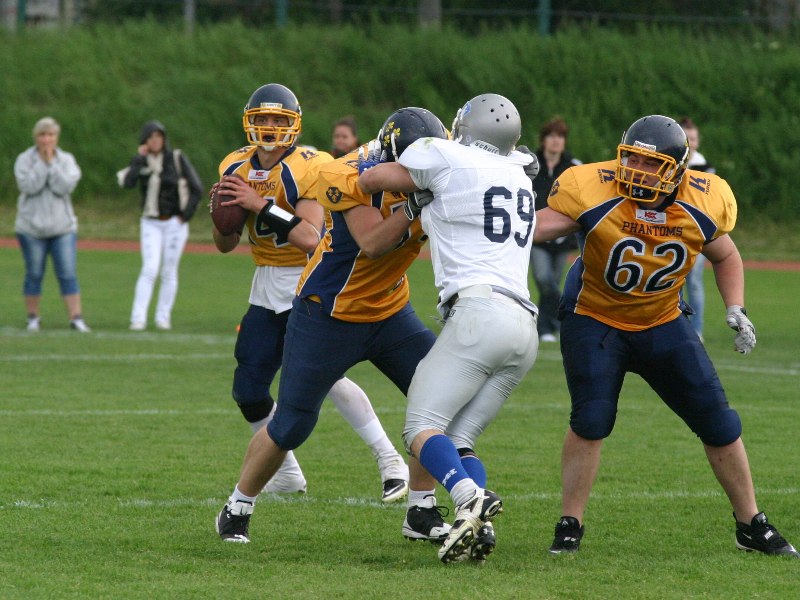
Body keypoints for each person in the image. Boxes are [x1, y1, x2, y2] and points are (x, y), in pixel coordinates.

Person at [534, 114, 798, 557]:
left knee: (718, 421)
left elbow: (726, 255)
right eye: (632, 159)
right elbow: (534, 229)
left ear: (677, 169)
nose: (637, 170)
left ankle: (751, 524)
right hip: (594, 318)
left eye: (651, 163)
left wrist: (736, 308)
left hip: (662, 320)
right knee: (592, 419)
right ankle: (570, 523)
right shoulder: (594, 188)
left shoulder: (702, 199)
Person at [215, 105, 450, 545]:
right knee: (290, 423)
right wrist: (417, 201)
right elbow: (371, 243)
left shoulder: (438, 171)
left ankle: (420, 507)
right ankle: (238, 505)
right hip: (327, 311)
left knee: (438, 401)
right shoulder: (341, 171)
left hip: (390, 310)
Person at [358, 93, 541, 564]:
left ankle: (468, 497)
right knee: (458, 440)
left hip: (479, 314)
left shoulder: (444, 154)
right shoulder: (520, 170)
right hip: (524, 327)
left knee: (420, 427)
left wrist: (410, 183)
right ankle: (475, 525)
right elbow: (509, 162)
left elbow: (372, 179)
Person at [118, 120, 203, 331]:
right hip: (151, 222)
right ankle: (138, 318)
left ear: (164, 139)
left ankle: (163, 317)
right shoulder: (142, 161)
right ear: (145, 141)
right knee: (150, 268)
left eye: (158, 136)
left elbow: (197, 188)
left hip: (174, 222)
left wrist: (185, 216)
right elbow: (128, 183)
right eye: (151, 137)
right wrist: (138, 160)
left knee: (169, 271)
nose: (155, 141)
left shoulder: (176, 158)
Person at [14, 116, 90, 333]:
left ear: (57, 137)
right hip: (31, 228)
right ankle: (33, 317)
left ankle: (76, 318)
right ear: (36, 137)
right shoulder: (24, 160)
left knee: (67, 273)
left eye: (50, 135)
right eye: (42, 135)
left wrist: (52, 165)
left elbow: (63, 187)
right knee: (34, 273)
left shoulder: (66, 160)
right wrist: (42, 164)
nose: (46, 139)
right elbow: (29, 186)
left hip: (62, 228)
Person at [526, 117, 582, 343]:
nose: (556, 140)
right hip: (536, 232)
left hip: (562, 236)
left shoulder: (573, 166)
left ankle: (545, 329)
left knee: (552, 284)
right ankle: (566, 314)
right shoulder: (530, 163)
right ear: (543, 140)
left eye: (560, 136)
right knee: (544, 279)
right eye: (551, 136)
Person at [678, 117, 716, 342]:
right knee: (673, 280)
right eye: (686, 138)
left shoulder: (704, 167)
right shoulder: (669, 162)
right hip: (672, 231)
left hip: (696, 231)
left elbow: (709, 201)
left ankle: (696, 330)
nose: (690, 143)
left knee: (694, 281)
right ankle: (676, 326)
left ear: (698, 141)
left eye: (693, 139)